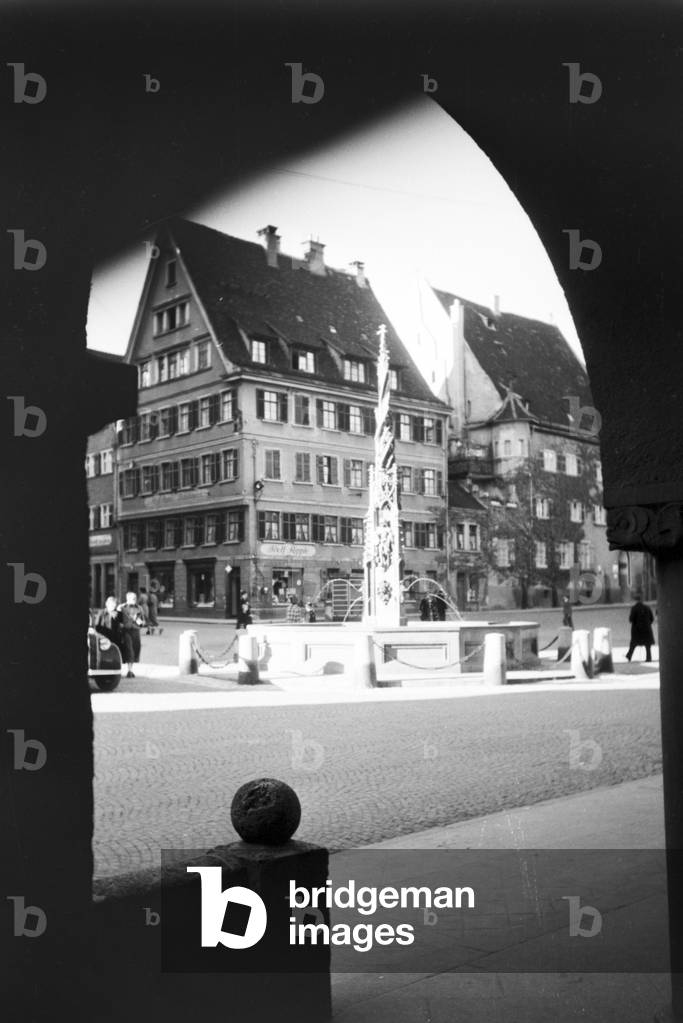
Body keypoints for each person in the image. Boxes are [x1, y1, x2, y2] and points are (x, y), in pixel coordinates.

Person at [116, 591, 145, 678]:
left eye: (135, 598)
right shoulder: (122, 607)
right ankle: (129, 670)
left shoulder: (139, 608)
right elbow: (117, 618)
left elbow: (143, 622)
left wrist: (139, 621)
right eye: (132, 598)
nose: (134, 600)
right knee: (129, 650)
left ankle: (130, 669)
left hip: (135, 631)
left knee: (135, 649)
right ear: (127, 599)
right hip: (126, 631)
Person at [626, 594, 655, 662]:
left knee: (633, 644)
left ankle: (629, 656)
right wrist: (647, 624)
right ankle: (648, 658)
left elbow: (631, 619)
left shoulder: (634, 608)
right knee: (647, 645)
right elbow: (652, 618)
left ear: (635, 600)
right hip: (647, 629)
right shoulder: (647, 608)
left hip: (637, 629)